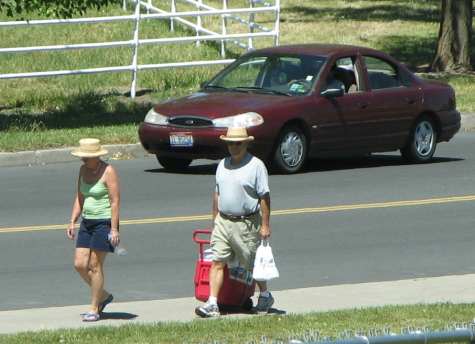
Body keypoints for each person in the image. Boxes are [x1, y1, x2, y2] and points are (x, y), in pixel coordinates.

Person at [195, 127, 274, 318]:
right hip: (223, 221)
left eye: (238, 143)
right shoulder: (222, 164)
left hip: (246, 222)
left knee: (251, 263)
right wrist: (215, 221)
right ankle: (212, 303)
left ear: (246, 143)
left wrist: (265, 225)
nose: (233, 147)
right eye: (230, 143)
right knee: (218, 261)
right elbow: (217, 194)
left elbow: (264, 196)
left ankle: (265, 295)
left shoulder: (256, 166)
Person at [66, 138, 120, 322]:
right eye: (82, 157)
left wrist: (114, 229)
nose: (82, 160)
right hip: (87, 222)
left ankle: (94, 308)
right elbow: (80, 196)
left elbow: (114, 202)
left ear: (96, 156)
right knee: (80, 264)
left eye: (86, 157)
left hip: (103, 223)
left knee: (95, 266)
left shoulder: (108, 171)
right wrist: (72, 220)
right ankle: (103, 295)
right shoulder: (83, 170)